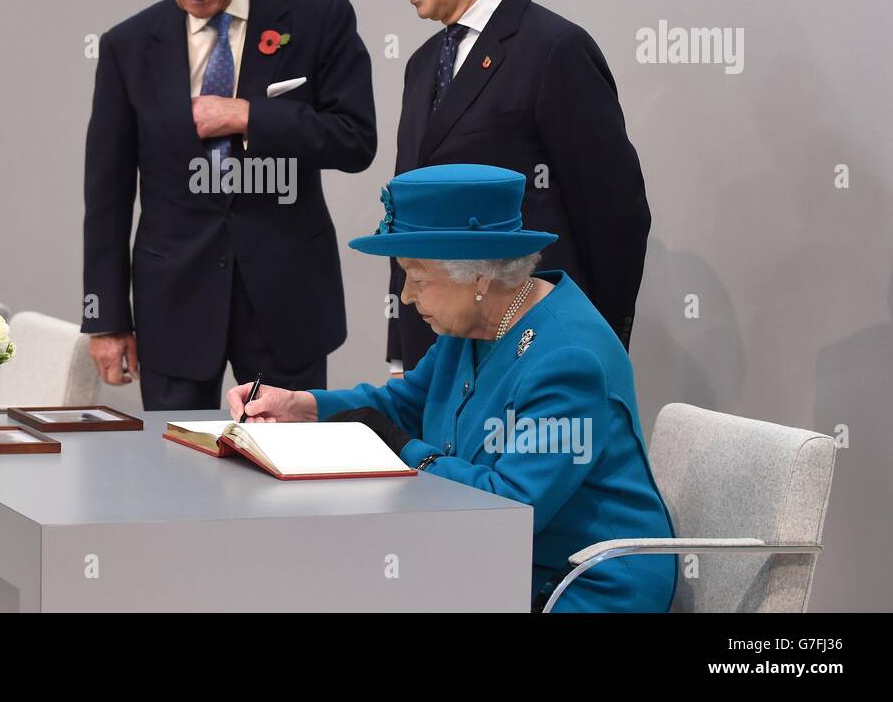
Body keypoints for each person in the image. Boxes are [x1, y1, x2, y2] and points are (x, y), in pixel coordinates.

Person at [227, 164, 677, 613]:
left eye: (418, 278)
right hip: (494, 563)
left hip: (581, 586)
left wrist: (399, 448)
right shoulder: (475, 326)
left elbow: (513, 508)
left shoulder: (569, 360)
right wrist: (300, 407)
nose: (404, 296)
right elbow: (401, 404)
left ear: (479, 277)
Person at [83, 0, 376, 410]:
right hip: (172, 300)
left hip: (287, 298)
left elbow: (355, 140)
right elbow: (106, 193)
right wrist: (105, 319)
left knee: (288, 470)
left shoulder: (317, 15)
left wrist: (250, 116)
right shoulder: (128, 46)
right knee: (174, 473)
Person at [363, 0, 650, 371]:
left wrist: (594, 338)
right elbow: (407, 222)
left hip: (532, 348)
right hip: (436, 357)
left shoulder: (555, 49)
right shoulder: (421, 65)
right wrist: (399, 350)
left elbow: (616, 215)